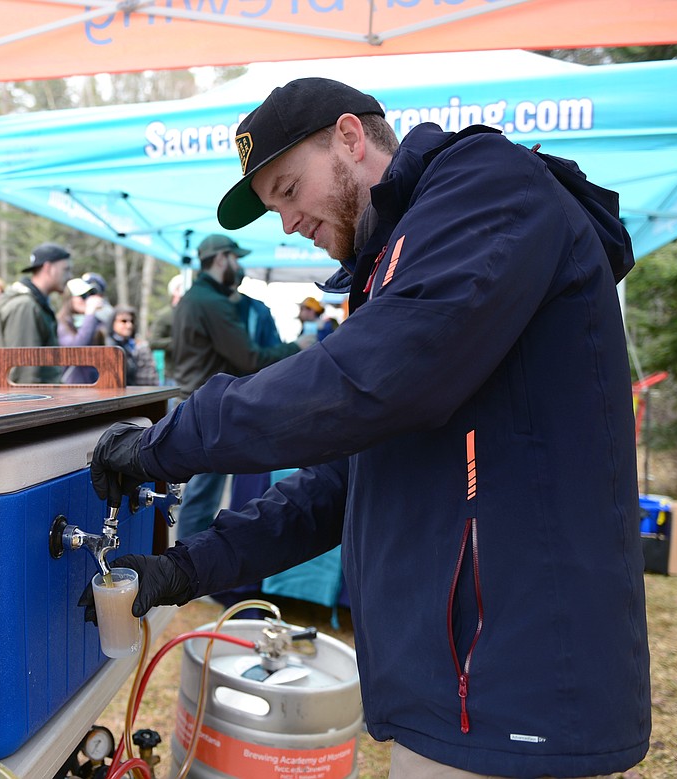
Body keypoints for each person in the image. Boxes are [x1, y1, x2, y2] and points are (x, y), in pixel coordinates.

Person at [87, 78, 647, 779]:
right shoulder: (395, 262)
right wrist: (185, 567)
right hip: (451, 689)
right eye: (274, 208)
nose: (287, 222)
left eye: (290, 190)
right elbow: (344, 482)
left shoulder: (489, 188)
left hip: (517, 689)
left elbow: (369, 380)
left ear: (351, 138)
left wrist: (168, 443)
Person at [169, 233, 304, 541]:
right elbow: (249, 358)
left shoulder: (195, 297)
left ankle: (184, 569)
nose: (239, 265)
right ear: (221, 259)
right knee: (202, 496)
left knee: (201, 494)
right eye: (235, 258)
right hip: (207, 408)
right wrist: (297, 347)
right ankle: (186, 572)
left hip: (196, 401)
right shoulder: (211, 301)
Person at [0, 242, 73, 384]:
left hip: (45, 398)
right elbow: (24, 370)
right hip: (33, 401)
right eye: (66, 270)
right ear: (48, 268)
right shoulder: (24, 306)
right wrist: (30, 405)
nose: (69, 276)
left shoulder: (37, 303)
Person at [57, 271, 112, 384]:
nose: (87, 300)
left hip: (94, 383)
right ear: (69, 299)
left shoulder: (95, 321)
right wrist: (90, 313)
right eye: (82, 296)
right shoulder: (61, 323)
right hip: (72, 387)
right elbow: (76, 349)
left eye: (89, 294)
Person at [108, 305, 160, 386]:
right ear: (113, 323)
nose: (129, 325)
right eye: (123, 321)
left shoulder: (130, 344)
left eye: (131, 321)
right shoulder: (109, 347)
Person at [148, 273, 184, 385]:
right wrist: (175, 342)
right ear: (175, 291)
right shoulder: (165, 315)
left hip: (192, 374)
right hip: (173, 374)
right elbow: (153, 342)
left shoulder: (193, 314)